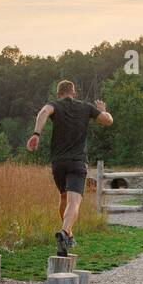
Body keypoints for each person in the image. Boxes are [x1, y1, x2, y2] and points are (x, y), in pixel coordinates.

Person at [26, 79, 113, 254]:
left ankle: (68, 234)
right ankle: (65, 232)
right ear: (74, 93)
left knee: (63, 198)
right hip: (77, 162)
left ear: (59, 94)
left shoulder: (54, 105)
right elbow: (108, 121)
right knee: (74, 202)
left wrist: (36, 134)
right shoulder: (85, 107)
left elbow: (43, 112)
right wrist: (103, 111)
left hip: (58, 163)